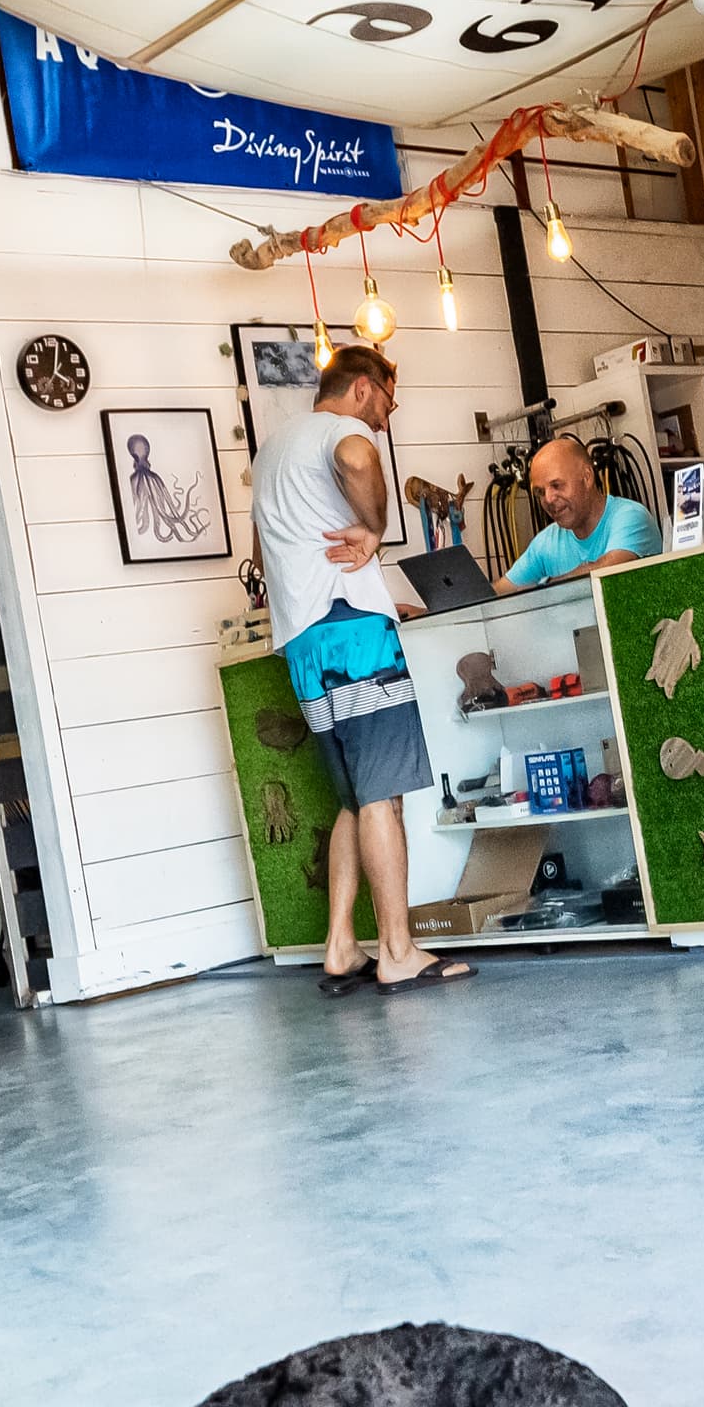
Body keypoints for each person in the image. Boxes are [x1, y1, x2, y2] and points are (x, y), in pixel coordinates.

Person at [250, 343, 472, 994]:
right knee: (383, 796)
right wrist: (374, 527)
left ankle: (342, 945)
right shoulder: (342, 431)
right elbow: (357, 456)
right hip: (354, 635)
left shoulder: (272, 452)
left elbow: (262, 557)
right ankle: (399, 952)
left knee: (353, 798)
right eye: (387, 401)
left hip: (305, 642)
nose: (386, 417)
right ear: (363, 388)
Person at [493, 436, 661, 592]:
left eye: (557, 485)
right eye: (540, 492)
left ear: (587, 477)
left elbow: (606, 573)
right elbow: (498, 593)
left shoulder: (629, 517)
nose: (549, 499)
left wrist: (543, 587)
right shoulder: (546, 542)